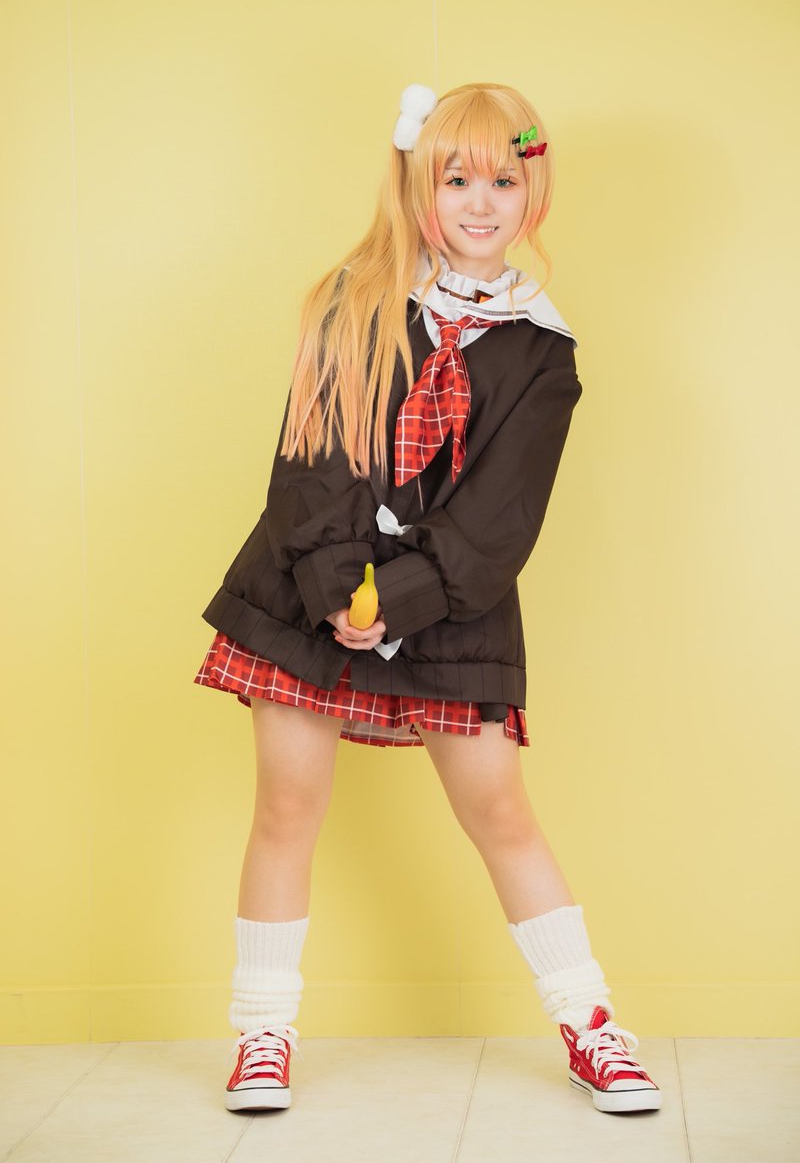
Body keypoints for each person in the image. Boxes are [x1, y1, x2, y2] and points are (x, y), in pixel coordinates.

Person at [194, 81, 662, 1116]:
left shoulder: (543, 352)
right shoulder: (351, 301)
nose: (481, 203)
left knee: (499, 809)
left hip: (452, 603)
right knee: (286, 806)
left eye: (504, 181)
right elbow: (309, 465)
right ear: (419, 186)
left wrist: (398, 599)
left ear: (534, 192)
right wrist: (339, 593)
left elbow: (499, 518)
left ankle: (589, 1023)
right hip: (304, 587)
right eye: (456, 181)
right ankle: (263, 1032)